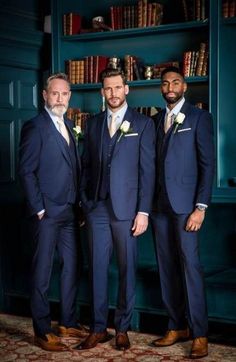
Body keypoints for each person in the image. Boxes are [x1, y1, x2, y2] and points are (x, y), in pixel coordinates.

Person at [75, 68, 156, 351]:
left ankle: (122, 328)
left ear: (127, 89)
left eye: (117, 87)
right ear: (102, 91)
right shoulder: (93, 124)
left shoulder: (144, 123)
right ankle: (98, 328)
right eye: (108, 88)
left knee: (126, 269)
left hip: (127, 211)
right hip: (96, 208)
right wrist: (85, 202)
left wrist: (143, 211)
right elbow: (86, 166)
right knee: (96, 269)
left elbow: (148, 172)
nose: (113, 93)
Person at [18, 73, 88, 352]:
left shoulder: (70, 125)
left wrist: (80, 205)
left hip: (71, 211)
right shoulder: (35, 127)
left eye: (65, 93)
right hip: (46, 213)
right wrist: (38, 208)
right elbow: (26, 170)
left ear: (69, 96)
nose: (60, 98)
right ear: (44, 96)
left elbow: (74, 167)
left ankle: (68, 321)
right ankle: (42, 330)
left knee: (72, 266)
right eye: (55, 93)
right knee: (43, 271)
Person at [151, 66, 215, 359]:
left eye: (175, 81)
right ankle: (176, 326)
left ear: (184, 86)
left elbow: (207, 165)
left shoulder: (200, 118)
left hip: (187, 207)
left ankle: (199, 332)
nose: (170, 86)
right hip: (159, 207)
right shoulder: (153, 121)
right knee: (166, 267)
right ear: (161, 88)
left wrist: (200, 207)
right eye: (165, 83)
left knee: (190, 267)